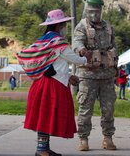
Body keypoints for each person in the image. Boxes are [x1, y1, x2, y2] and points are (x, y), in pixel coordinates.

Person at [17, 9, 91, 156]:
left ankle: (43, 148)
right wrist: (86, 57)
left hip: (42, 83)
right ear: (59, 26)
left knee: (44, 117)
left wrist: (68, 76)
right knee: (46, 117)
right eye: (64, 24)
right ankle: (41, 149)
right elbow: (74, 59)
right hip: (51, 85)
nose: (65, 28)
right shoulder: (58, 42)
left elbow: (56, 63)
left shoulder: (43, 40)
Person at [73, 0, 118, 151]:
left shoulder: (108, 27)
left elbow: (114, 46)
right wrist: (81, 50)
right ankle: (83, 139)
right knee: (85, 108)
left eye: (97, 11)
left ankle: (108, 138)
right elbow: (77, 42)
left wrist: (115, 66)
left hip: (107, 75)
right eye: (91, 11)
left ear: (101, 11)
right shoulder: (81, 26)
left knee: (108, 108)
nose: (94, 15)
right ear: (87, 11)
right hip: (88, 76)